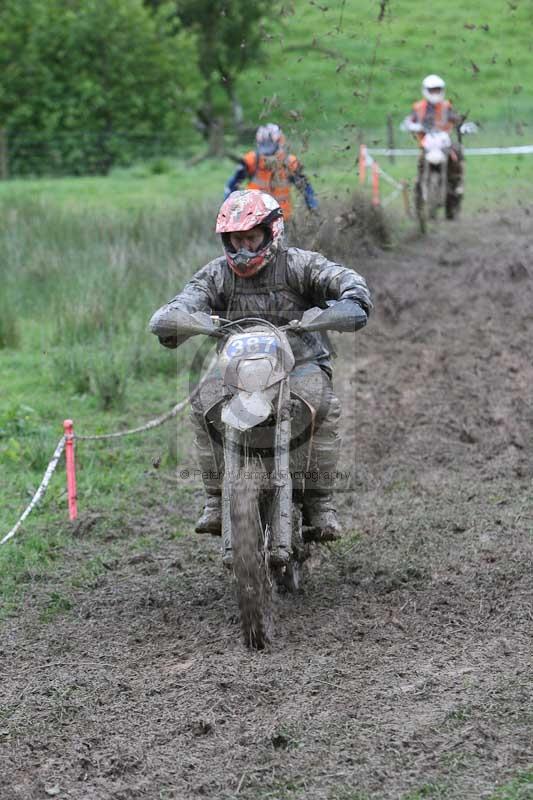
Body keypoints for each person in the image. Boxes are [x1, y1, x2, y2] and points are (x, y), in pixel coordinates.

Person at [150, 190, 372, 541]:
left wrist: (351, 299)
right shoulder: (216, 275)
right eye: (235, 240)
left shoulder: (300, 264)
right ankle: (214, 496)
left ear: (272, 232)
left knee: (324, 405)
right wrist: (177, 320)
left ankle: (319, 501)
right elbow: (180, 303)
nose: (243, 249)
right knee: (202, 402)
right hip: (236, 368)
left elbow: (343, 278)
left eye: (251, 238)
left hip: (301, 363)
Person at [224, 123, 318, 221]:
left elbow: (305, 186)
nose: (268, 154)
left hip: (281, 217)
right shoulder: (251, 160)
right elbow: (232, 184)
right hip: (255, 217)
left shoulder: (290, 163)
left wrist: (312, 205)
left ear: (280, 142)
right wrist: (228, 206)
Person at [404, 74, 466, 219]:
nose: (435, 93)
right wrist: (410, 125)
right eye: (432, 90)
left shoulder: (446, 106)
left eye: (437, 90)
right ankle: (418, 204)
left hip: (443, 142)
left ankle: (457, 183)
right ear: (426, 91)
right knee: (419, 171)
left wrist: (462, 125)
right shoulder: (418, 107)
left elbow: (456, 118)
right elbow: (409, 120)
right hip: (427, 144)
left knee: (457, 153)